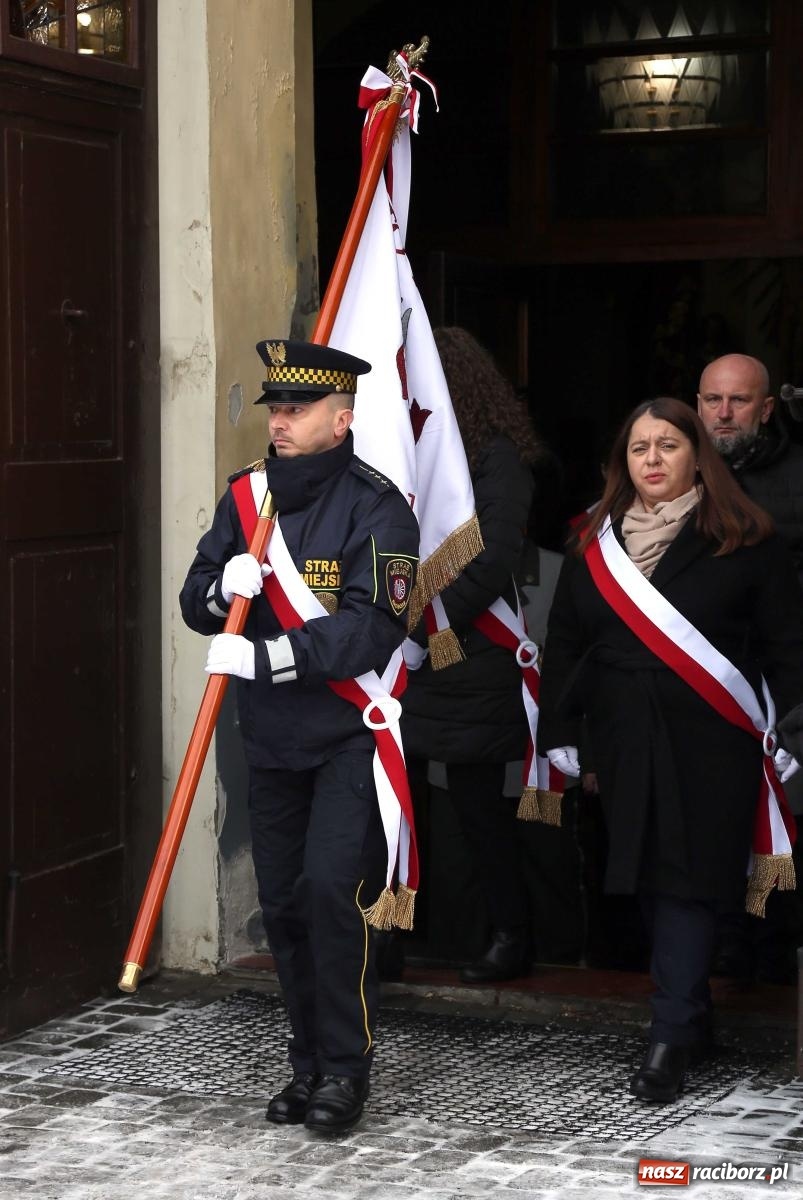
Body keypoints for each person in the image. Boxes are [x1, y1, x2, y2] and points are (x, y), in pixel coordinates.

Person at [179, 339, 419, 1133]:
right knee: (281, 906)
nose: (279, 423)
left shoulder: (378, 506)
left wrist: (267, 653)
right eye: (275, 409)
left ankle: (345, 1072)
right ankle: (307, 1063)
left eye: (296, 410)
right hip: (273, 736)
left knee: (329, 896)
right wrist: (221, 593)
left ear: (340, 418)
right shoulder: (247, 497)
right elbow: (194, 595)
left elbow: (372, 630)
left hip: (348, 734)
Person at [537, 397, 803, 1103]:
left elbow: (785, 646)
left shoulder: (746, 538)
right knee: (652, 884)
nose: (651, 460)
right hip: (622, 741)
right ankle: (692, 1019)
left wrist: (791, 735)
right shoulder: (593, 542)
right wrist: (560, 734)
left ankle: (669, 1035)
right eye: (637, 449)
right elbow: (564, 641)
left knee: (686, 880)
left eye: (666, 446)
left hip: (712, 740)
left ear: (696, 457)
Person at [400, 326, 544, 983]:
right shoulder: (403, 452)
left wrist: (421, 633)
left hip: (470, 654)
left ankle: (509, 934)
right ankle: (392, 934)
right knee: (391, 806)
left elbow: (492, 560)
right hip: (401, 655)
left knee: (475, 808)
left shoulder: (496, 455)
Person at [698, 353, 803, 982]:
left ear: (766, 409)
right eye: (713, 400)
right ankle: (724, 947)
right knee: (715, 819)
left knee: (785, 816)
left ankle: (777, 955)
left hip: (785, 681)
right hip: (705, 677)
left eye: (738, 402)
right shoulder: (674, 467)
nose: (724, 414)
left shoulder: (797, 473)